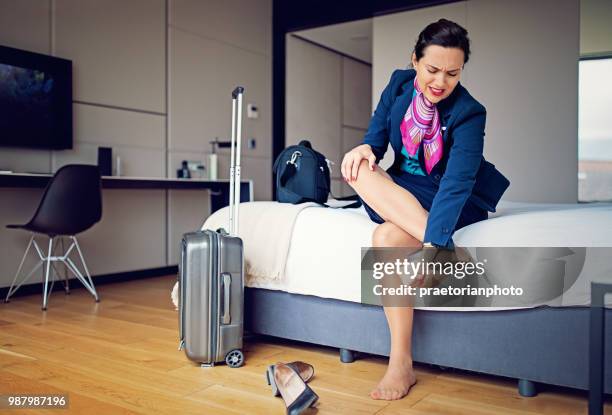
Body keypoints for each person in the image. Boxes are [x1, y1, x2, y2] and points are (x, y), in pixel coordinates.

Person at [340, 18, 510, 401]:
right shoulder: (399, 84)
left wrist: (431, 244)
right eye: (432, 69)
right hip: (405, 189)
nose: (440, 82)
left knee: (385, 237)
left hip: (449, 196)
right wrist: (364, 148)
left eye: (452, 73)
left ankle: (400, 362)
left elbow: (457, 184)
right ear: (414, 60)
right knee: (357, 167)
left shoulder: (469, 112)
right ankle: (444, 252)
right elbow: (376, 139)